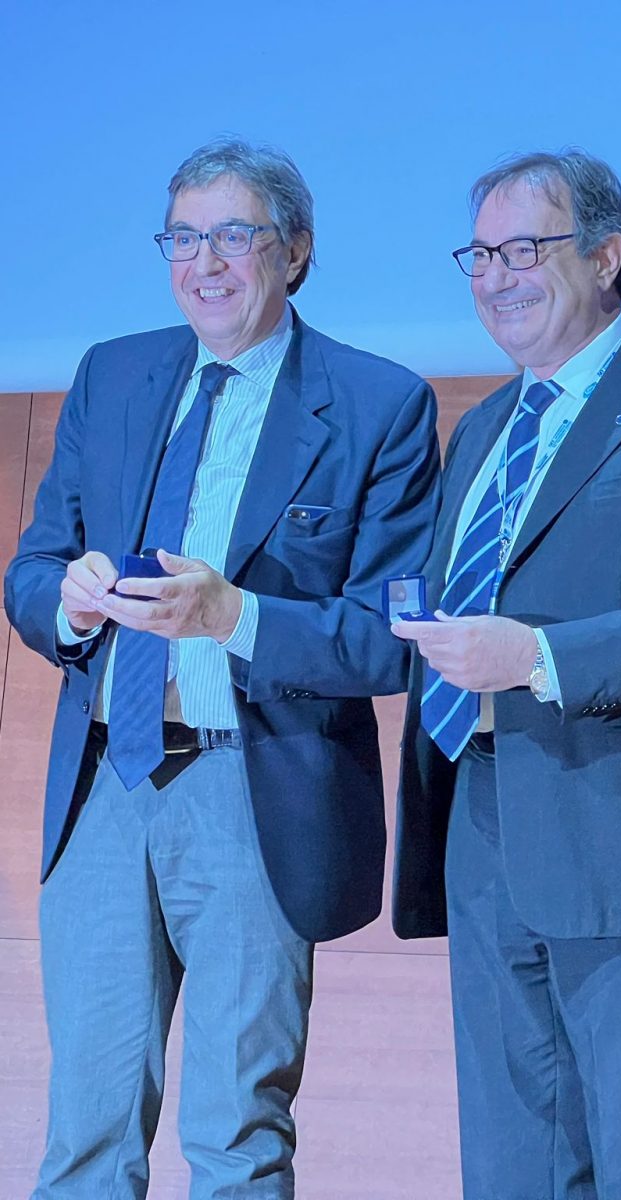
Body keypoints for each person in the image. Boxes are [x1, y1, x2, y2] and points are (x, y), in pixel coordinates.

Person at [4, 136, 440, 1199]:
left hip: (254, 789)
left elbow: (390, 637)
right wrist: (66, 603)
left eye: (233, 236)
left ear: (294, 251)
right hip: (103, 786)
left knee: (237, 1135)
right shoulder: (113, 373)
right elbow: (33, 568)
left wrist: (232, 614)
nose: (204, 264)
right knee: (85, 1136)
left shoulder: (377, 403)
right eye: (182, 239)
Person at [391, 150, 621, 1200]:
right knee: (511, 1166)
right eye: (479, 255)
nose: (496, 277)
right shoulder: (480, 430)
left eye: (524, 249)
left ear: (605, 256)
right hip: (481, 823)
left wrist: (540, 657)